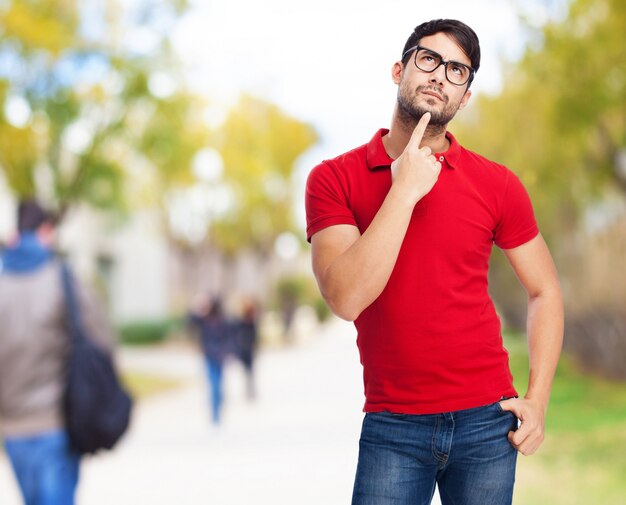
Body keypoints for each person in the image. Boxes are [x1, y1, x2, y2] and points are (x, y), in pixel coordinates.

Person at [305, 19, 564, 505]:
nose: (440, 75)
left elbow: (544, 290)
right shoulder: (333, 178)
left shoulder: (497, 184)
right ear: (399, 68)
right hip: (393, 426)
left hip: (489, 422)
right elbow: (345, 297)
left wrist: (539, 400)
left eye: (457, 71)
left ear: (464, 97)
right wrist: (402, 190)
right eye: (428, 60)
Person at [0, 199, 117, 505]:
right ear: (46, 231)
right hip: (57, 420)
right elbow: (102, 340)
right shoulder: (62, 280)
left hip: (11, 426)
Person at [188, 295, 233, 425]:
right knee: (213, 385)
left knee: (219, 387)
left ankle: (218, 407)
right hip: (208, 356)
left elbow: (229, 338)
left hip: (220, 357)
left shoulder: (224, 321)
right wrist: (199, 307)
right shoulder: (203, 320)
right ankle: (215, 414)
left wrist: (228, 353)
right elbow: (189, 320)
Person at [233, 296, 260, 400]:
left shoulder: (248, 322)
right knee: (249, 371)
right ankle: (250, 391)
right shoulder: (247, 322)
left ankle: (250, 391)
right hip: (246, 349)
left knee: (248, 371)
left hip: (246, 349)